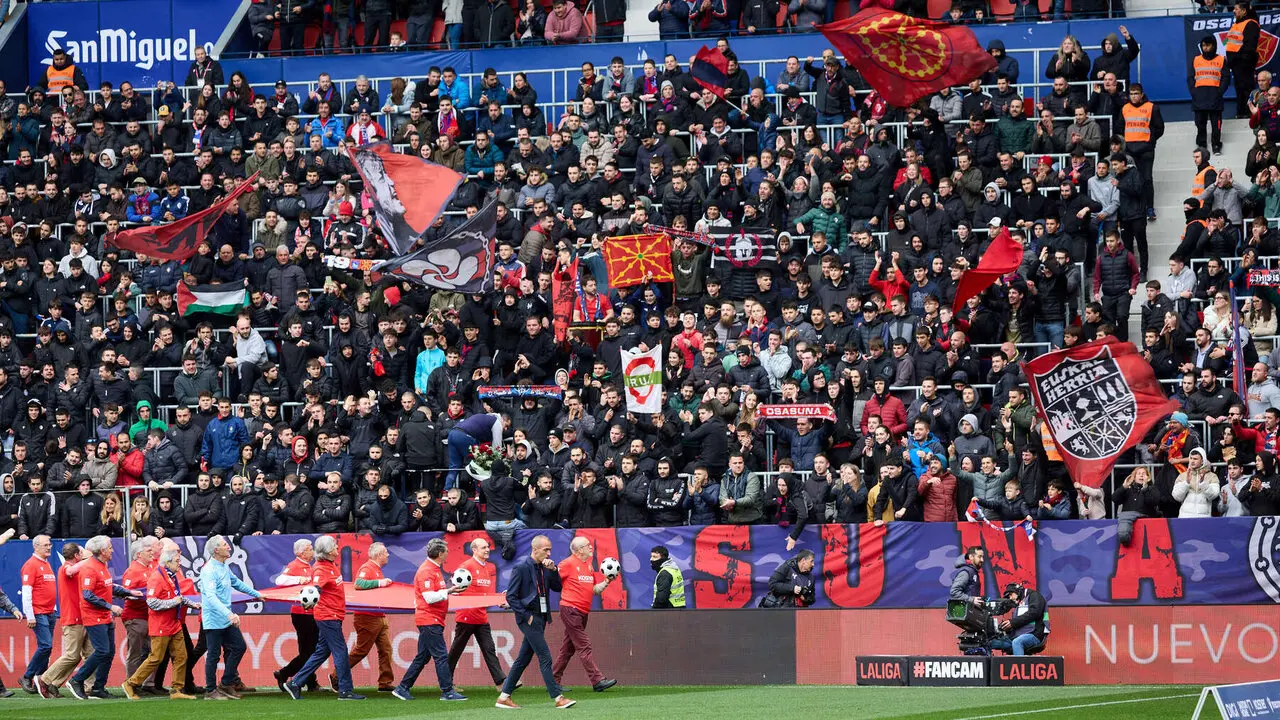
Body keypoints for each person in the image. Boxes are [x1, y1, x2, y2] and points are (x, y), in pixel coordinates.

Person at [496, 535, 576, 710]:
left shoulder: (546, 567)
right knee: (545, 656)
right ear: (535, 549)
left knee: (522, 659)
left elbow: (557, 587)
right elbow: (511, 596)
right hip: (529, 618)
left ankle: (504, 697)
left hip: (541, 617)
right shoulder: (521, 567)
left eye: (550, 550)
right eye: (546, 549)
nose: (549, 553)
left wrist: (554, 569)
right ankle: (558, 697)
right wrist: (527, 616)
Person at [282, 536, 365, 701]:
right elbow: (315, 589)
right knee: (340, 652)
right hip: (328, 616)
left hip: (332, 615)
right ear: (328, 551)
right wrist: (312, 596)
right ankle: (345, 690)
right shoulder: (321, 569)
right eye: (334, 546)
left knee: (321, 652)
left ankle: (295, 683)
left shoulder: (329, 565)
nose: (337, 547)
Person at [120, 547, 200, 700]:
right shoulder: (156, 578)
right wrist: (172, 602)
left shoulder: (171, 576)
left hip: (174, 624)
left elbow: (178, 597)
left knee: (181, 656)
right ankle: (130, 683)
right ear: (168, 562)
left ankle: (176, 689)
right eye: (177, 561)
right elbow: (152, 603)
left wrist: (192, 604)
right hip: (161, 625)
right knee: (156, 658)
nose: (180, 564)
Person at [393, 537, 468, 701]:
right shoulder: (427, 570)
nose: (448, 553)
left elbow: (435, 593)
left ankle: (402, 687)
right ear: (440, 553)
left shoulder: (433, 569)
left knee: (423, 657)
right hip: (429, 619)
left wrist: (450, 591)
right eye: (446, 551)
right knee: (440, 656)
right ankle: (447, 691)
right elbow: (429, 598)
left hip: (432, 619)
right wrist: (448, 591)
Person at [68, 535, 138, 700]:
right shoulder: (89, 568)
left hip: (105, 616)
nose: (112, 550)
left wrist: (128, 592)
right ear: (101, 551)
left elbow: (108, 586)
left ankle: (99, 687)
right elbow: (88, 595)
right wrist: (110, 606)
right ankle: (76, 680)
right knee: (102, 650)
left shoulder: (102, 565)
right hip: (94, 616)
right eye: (109, 548)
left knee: (109, 652)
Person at [199, 535, 263, 700]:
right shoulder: (209, 571)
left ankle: (226, 683)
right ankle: (210, 690)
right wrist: (229, 614)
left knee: (239, 647)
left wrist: (257, 594)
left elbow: (237, 583)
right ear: (216, 550)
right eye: (224, 545)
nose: (228, 547)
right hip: (214, 619)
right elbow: (211, 598)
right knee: (214, 654)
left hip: (226, 619)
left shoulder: (223, 567)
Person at [552, 537, 618, 692]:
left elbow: (594, 590)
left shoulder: (588, 566)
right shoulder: (567, 564)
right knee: (584, 645)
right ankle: (597, 680)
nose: (591, 547)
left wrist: (607, 582)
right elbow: (553, 580)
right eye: (587, 545)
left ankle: (553, 680)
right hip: (571, 609)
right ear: (579, 549)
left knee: (568, 648)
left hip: (581, 611)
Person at [447, 538, 507, 690]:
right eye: (483, 548)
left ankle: (501, 683)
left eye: (487, 547)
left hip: (481, 617)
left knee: (489, 649)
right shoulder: (466, 567)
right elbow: (454, 585)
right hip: (466, 616)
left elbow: (485, 594)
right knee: (456, 651)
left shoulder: (486, 568)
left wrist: (498, 599)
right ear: (474, 550)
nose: (487, 550)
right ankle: (446, 683)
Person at [35, 543, 89, 698]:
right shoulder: (64, 568)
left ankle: (53, 684)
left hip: (81, 617)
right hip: (72, 618)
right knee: (72, 655)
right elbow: (71, 570)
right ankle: (44, 679)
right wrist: (91, 559)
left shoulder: (76, 568)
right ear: (77, 555)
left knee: (81, 655)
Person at [342, 542, 395, 692]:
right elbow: (358, 584)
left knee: (386, 650)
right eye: (385, 552)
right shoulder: (367, 568)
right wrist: (380, 582)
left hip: (378, 616)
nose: (388, 555)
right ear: (379, 555)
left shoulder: (376, 569)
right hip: (367, 617)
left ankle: (385, 683)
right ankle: (336, 676)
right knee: (361, 651)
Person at [273, 538, 319, 693]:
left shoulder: (308, 566)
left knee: (311, 651)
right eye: (310, 548)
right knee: (308, 652)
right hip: (301, 614)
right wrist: (300, 579)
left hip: (311, 612)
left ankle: (309, 682)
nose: (313, 550)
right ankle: (285, 673)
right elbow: (280, 580)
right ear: (302, 552)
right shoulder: (295, 565)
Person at [19, 535, 56, 695]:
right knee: (46, 646)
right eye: (45, 545)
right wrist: (30, 615)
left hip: (49, 612)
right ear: (36, 547)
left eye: (50, 544)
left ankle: (41, 680)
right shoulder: (31, 565)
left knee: (47, 648)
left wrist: (53, 608)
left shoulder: (46, 564)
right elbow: (27, 592)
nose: (49, 547)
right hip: (39, 612)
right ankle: (27, 676)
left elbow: (48, 589)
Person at [445, 412, 505, 490]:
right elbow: (497, 449)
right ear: (502, 421)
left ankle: (446, 491)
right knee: (478, 464)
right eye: (506, 426)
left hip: (452, 434)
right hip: (464, 435)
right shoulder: (497, 422)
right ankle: (478, 492)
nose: (505, 429)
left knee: (454, 466)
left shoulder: (482, 420)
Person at [989, 583, 1049, 656]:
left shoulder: (1034, 595)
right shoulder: (1019, 603)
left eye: (1010, 594)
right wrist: (1007, 628)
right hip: (1017, 636)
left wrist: (1012, 623)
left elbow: (1034, 613)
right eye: (1008, 596)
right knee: (992, 643)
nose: (1010, 598)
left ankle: (1019, 666)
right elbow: (1020, 622)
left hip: (1035, 635)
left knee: (1017, 642)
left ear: (1017, 591)